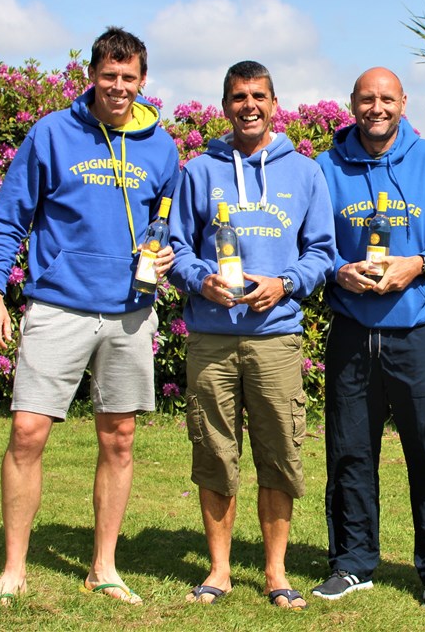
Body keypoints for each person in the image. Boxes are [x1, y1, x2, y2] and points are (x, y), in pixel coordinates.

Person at [0, 27, 181, 605]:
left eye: (129, 77)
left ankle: (104, 567)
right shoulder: (52, 133)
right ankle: (13, 568)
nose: (118, 87)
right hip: (58, 302)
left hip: (130, 313)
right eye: (109, 76)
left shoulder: (161, 147)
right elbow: (9, 216)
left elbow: (170, 227)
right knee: (26, 432)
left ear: (143, 82)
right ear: (92, 76)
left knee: (119, 439)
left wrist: (167, 254)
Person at [167, 61, 335, 611]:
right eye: (238, 97)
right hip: (212, 336)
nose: (249, 106)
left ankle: (275, 571)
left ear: (274, 101)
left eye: (258, 95)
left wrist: (284, 282)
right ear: (224, 106)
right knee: (214, 451)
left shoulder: (305, 173)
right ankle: (217, 571)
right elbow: (177, 251)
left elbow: (323, 254)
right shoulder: (197, 171)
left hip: (275, 338)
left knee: (279, 452)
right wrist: (200, 279)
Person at [312, 67, 425, 610]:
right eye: (366, 98)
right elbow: (311, 243)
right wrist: (338, 270)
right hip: (353, 331)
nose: (376, 107)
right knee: (350, 452)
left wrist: (422, 262)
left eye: (387, 98)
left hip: (416, 330)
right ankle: (353, 562)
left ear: (404, 102)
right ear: (351, 104)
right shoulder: (326, 167)